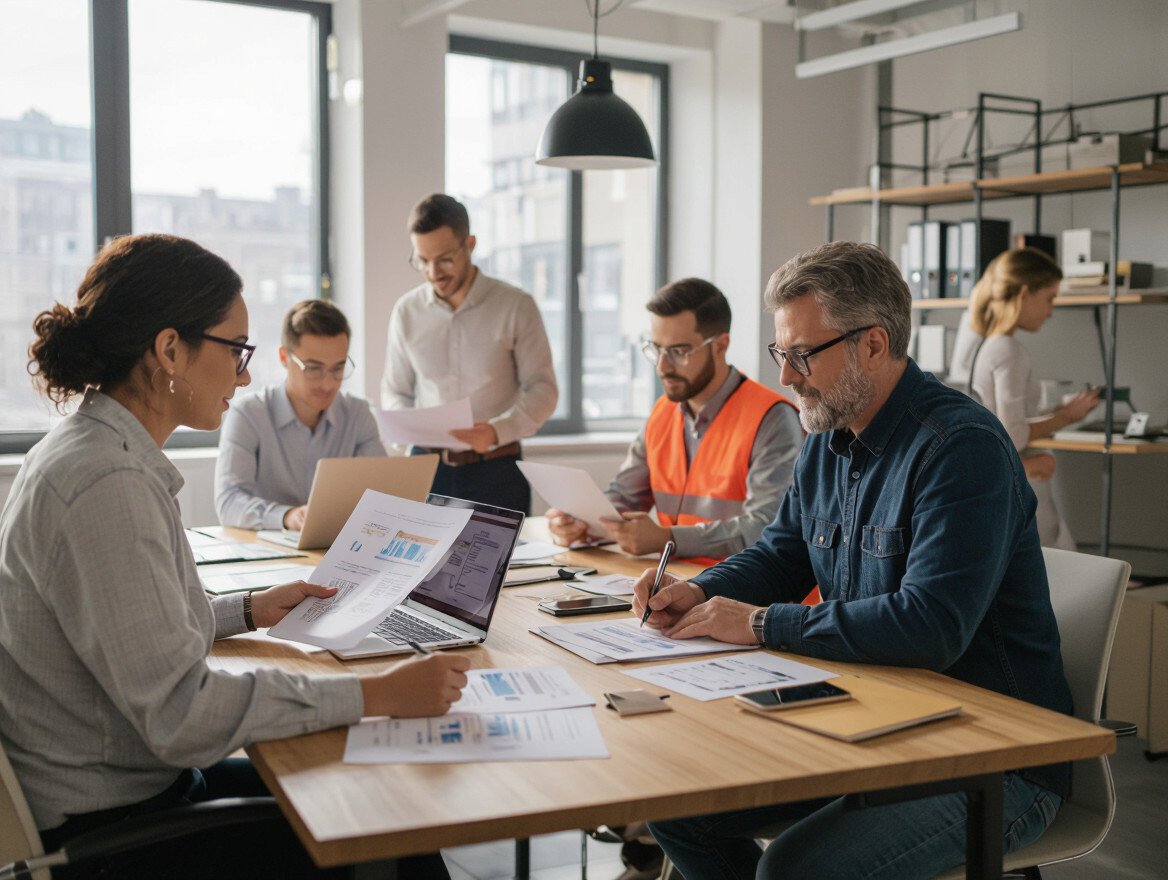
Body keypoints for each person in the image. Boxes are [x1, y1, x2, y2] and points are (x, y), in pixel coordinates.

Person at [0, 234, 469, 880]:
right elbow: (182, 714)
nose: (245, 375)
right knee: (390, 825)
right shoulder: (106, 483)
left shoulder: (97, 452)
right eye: (236, 350)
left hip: (131, 787)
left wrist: (247, 609)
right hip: (113, 831)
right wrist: (374, 692)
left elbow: (135, 628)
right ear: (170, 349)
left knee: (377, 790)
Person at [634, 241, 1072, 880]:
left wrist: (759, 624)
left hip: (994, 755)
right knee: (676, 805)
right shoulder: (826, 433)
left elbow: (931, 627)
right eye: (781, 354)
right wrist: (698, 593)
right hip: (874, 717)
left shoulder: (962, 447)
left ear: (873, 344)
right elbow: (782, 554)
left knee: (791, 870)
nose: (787, 377)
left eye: (803, 355)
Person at [546, 278, 803, 566]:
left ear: (720, 346)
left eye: (679, 352)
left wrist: (668, 538)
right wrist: (581, 523)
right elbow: (624, 498)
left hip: (743, 585)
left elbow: (766, 527)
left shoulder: (773, 418)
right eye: (657, 349)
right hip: (675, 578)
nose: (662, 366)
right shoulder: (663, 413)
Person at [382, 193, 558, 513]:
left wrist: (497, 431)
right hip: (426, 469)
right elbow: (396, 391)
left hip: (496, 469)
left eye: (445, 259)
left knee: (506, 549)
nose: (433, 272)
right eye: (422, 261)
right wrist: (406, 431)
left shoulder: (515, 305)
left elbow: (543, 389)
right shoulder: (406, 311)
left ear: (470, 244)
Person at [963, 248, 1100, 550]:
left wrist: (1062, 410)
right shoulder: (1009, 350)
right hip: (1024, 485)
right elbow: (1013, 433)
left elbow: (1005, 418)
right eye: (1049, 299)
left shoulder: (988, 346)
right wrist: (1066, 417)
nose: (1050, 312)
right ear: (1025, 293)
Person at [215, 299, 386, 531]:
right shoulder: (249, 415)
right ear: (284, 357)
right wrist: (286, 516)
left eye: (338, 368)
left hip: (334, 546)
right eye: (313, 368)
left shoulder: (358, 414)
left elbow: (383, 497)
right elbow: (229, 503)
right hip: (270, 546)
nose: (328, 384)